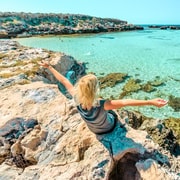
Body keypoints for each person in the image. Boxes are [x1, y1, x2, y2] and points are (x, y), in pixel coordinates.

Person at [40, 61, 168, 135]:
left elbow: (63, 80)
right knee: (114, 113)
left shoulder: (75, 96)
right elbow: (125, 102)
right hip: (107, 129)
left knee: (110, 109)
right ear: (95, 90)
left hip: (94, 130)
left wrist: (50, 67)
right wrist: (150, 101)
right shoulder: (102, 104)